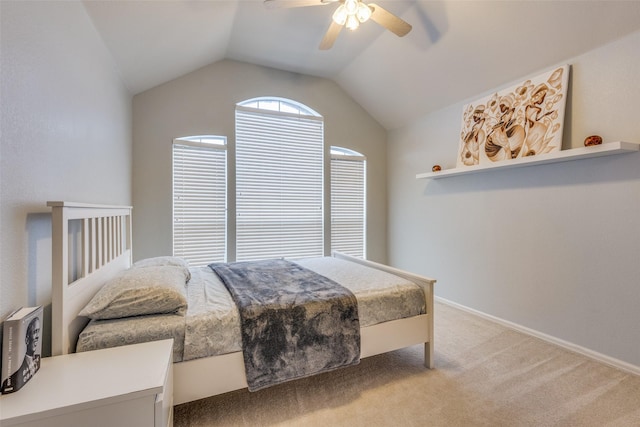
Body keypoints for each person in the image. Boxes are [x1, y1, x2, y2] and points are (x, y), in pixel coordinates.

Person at [1, 316, 41, 393]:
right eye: (35, 332)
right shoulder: (12, 379)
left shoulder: (37, 359)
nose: (37, 336)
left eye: (38, 331)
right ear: (27, 339)